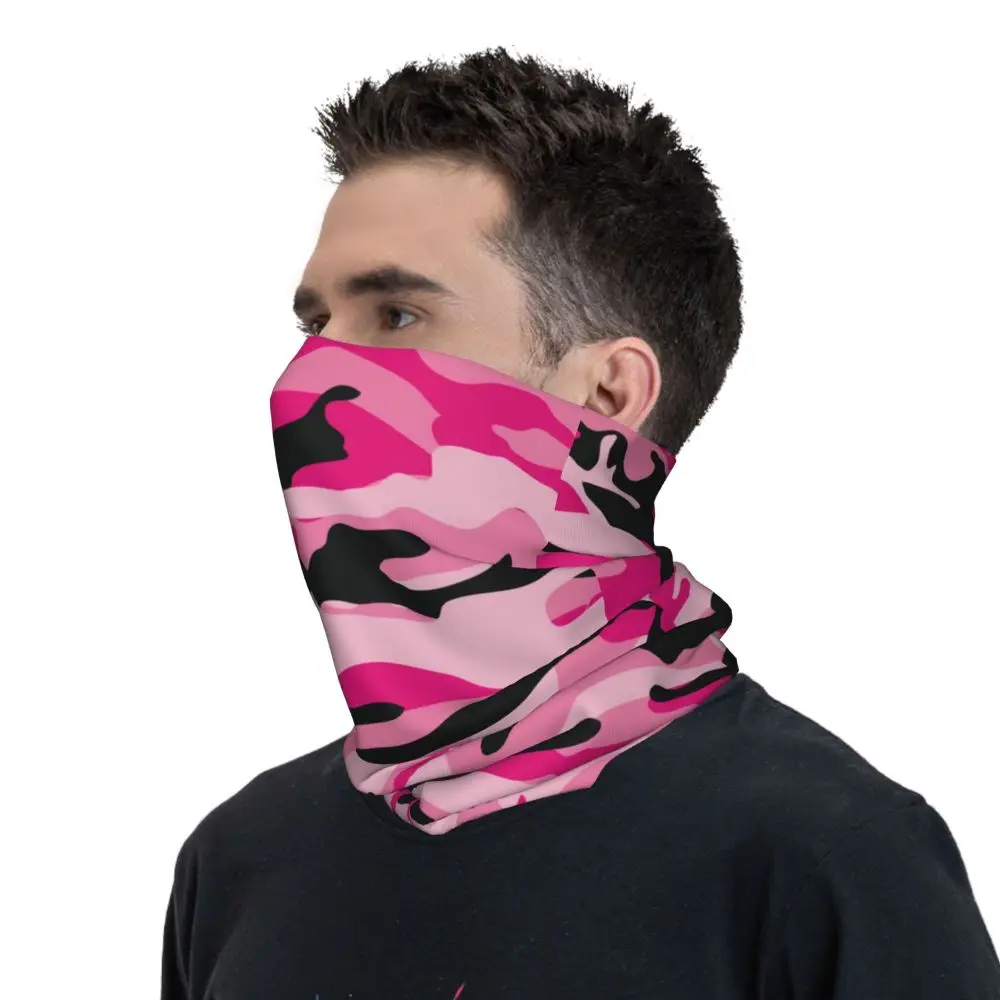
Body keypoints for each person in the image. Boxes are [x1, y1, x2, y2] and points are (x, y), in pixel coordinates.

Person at [161, 46, 1000, 999]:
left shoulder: (824, 859)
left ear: (608, 394)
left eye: (396, 315)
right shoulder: (238, 861)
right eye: (316, 324)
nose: (309, 379)